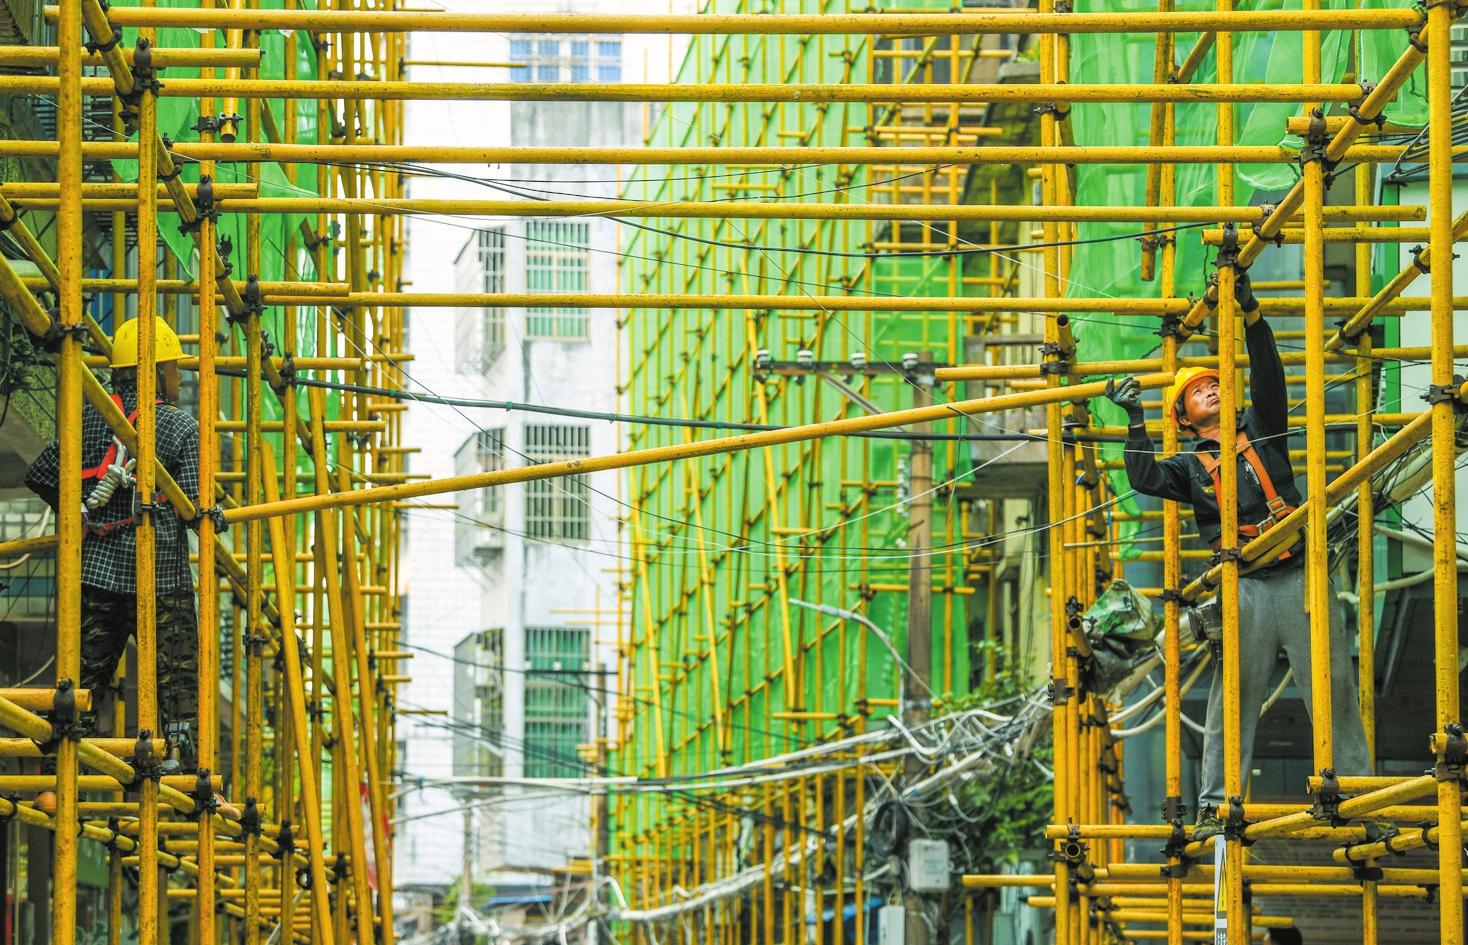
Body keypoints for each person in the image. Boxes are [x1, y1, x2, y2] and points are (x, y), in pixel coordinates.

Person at [1105, 273, 1371, 838]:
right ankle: (1215, 805)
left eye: (1215, 384)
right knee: (1234, 697)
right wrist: (1134, 420)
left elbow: (1268, 373)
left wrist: (1252, 314)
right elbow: (1144, 477)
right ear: (1183, 417)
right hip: (1246, 586)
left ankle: (1364, 800)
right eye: (1198, 390)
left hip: (1300, 575)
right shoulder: (1189, 467)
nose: (1212, 390)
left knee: (1334, 688)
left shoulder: (1264, 428)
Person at [26, 317, 232, 815]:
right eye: (174, 369)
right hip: (160, 577)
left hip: (96, 573)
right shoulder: (180, 427)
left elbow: (42, 473)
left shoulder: (88, 420)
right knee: (178, 681)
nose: (179, 379)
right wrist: (215, 515)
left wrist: (80, 512)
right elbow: (195, 509)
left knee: (80, 683)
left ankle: (57, 780)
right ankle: (189, 777)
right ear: (156, 373)